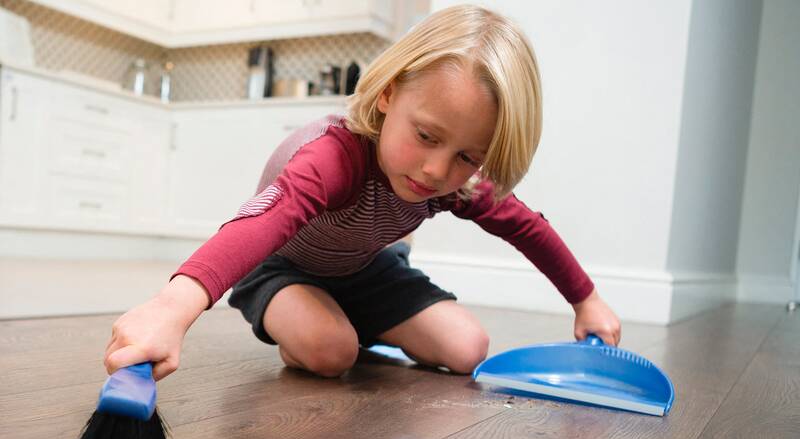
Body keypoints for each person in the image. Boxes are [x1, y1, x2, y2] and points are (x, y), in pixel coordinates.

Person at [104, 5, 621, 382]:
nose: (437, 170)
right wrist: (172, 307)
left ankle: (347, 317)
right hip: (283, 269)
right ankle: (319, 327)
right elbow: (260, 223)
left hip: (367, 268)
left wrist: (587, 300)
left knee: (469, 348)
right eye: (426, 136)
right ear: (390, 92)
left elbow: (525, 226)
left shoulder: (453, 181)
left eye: (468, 156)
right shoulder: (334, 158)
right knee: (332, 353)